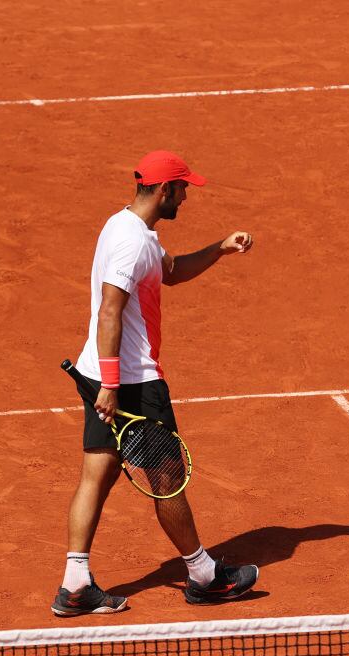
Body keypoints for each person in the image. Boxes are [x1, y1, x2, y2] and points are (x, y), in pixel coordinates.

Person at [52, 150, 259, 616]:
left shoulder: (128, 228)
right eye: (183, 188)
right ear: (165, 190)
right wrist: (111, 384)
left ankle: (76, 583)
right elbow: (110, 309)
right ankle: (204, 576)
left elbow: (171, 272)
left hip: (99, 371)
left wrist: (220, 248)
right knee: (168, 478)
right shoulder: (131, 243)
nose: (186, 196)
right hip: (129, 381)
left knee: (98, 472)